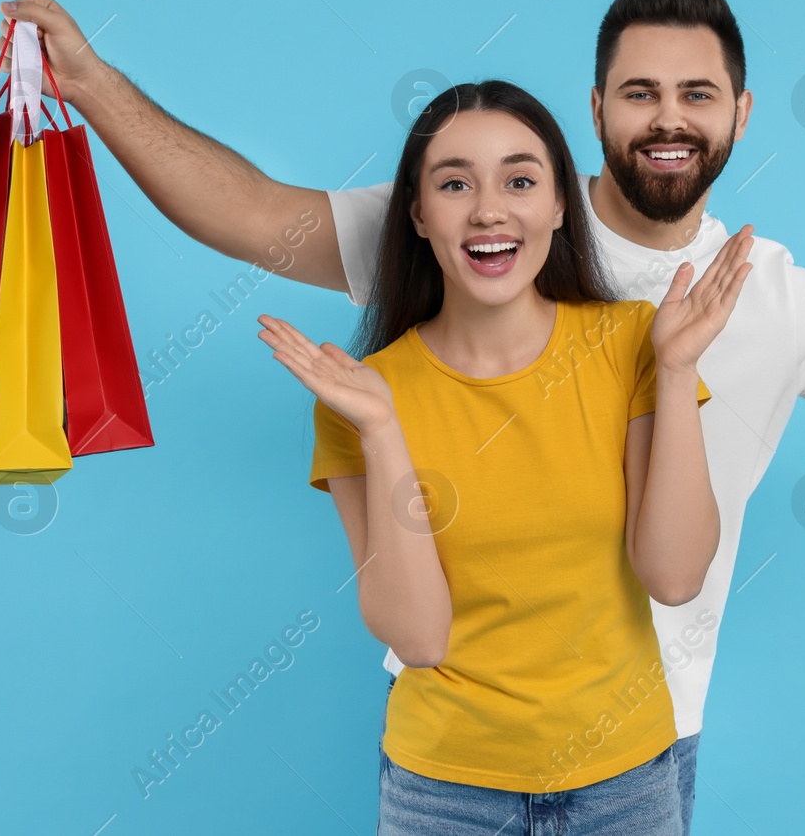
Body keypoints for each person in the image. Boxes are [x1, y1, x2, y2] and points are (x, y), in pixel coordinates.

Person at [0, 0, 805, 830]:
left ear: (738, 113)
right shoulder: (492, 214)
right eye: (638, 91)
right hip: (460, 735)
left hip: (641, 738)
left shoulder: (760, 293)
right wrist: (92, 86)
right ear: (598, 107)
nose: (667, 117)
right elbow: (256, 213)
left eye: (696, 93)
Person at [256, 79, 752, 834]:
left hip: (625, 785)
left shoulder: (632, 345)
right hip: (444, 797)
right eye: (455, 183)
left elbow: (675, 575)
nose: (489, 209)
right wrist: (385, 431)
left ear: (559, 205)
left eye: (520, 180)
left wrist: (678, 370)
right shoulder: (363, 395)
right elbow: (418, 638)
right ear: (419, 214)